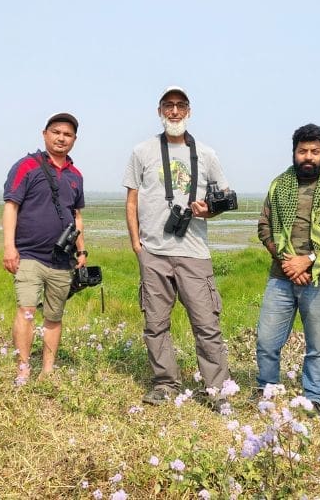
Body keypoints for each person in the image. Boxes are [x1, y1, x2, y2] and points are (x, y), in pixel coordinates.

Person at [123, 86, 232, 410]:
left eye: (180, 106)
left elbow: (224, 198)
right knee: (155, 325)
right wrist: (136, 244)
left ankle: (218, 392)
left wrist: (207, 211)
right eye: (168, 106)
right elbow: (131, 200)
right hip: (153, 251)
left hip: (194, 252)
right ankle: (165, 384)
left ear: (189, 111)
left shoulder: (207, 154)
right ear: (159, 111)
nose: (174, 111)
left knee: (206, 324)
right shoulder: (142, 151)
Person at [255, 124, 320, 414]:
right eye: (303, 151)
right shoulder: (279, 186)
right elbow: (264, 227)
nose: (308, 156)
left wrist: (308, 260)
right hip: (281, 278)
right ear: (294, 153)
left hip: (319, 280)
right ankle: (267, 391)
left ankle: (314, 398)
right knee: (266, 341)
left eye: (315, 151)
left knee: (317, 346)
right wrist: (288, 262)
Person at [2, 113, 86, 385]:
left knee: (54, 316)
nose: (61, 138)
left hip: (62, 260)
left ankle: (47, 370)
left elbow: (77, 216)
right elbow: (10, 207)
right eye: (56, 132)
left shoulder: (76, 175)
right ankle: (23, 368)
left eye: (68, 134)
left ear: (74, 139)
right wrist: (9, 248)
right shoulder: (27, 166)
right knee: (26, 310)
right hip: (29, 255)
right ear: (45, 134)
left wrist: (82, 251)